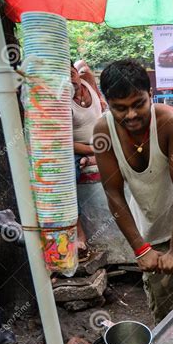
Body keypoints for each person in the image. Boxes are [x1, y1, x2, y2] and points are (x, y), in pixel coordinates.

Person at [93, 59, 173, 323]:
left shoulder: (171, 122)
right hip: (151, 221)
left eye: (138, 104)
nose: (130, 115)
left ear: (150, 95)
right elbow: (113, 193)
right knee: (166, 310)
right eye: (120, 108)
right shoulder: (103, 132)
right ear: (107, 103)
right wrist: (140, 248)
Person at [71, 60, 106, 261]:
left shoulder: (87, 81)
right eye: (65, 77)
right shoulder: (62, 101)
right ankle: (79, 234)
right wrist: (92, 151)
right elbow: (66, 142)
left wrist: (99, 96)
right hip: (78, 148)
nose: (71, 80)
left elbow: (83, 63)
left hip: (102, 142)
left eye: (72, 73)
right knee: (68, 180)